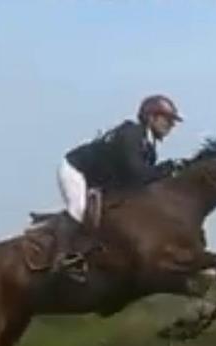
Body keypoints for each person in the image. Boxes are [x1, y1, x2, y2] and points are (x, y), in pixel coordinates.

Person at [52, 94, 184, 277]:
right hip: (75, 169)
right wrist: (168, 168)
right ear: (151, 117)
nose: (171, 126)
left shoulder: (148, 147)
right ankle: (64, 257)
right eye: (167, 120)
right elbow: (137, 175)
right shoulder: (130, 135)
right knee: (79, 209)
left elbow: (140, 185)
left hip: (98, 179)